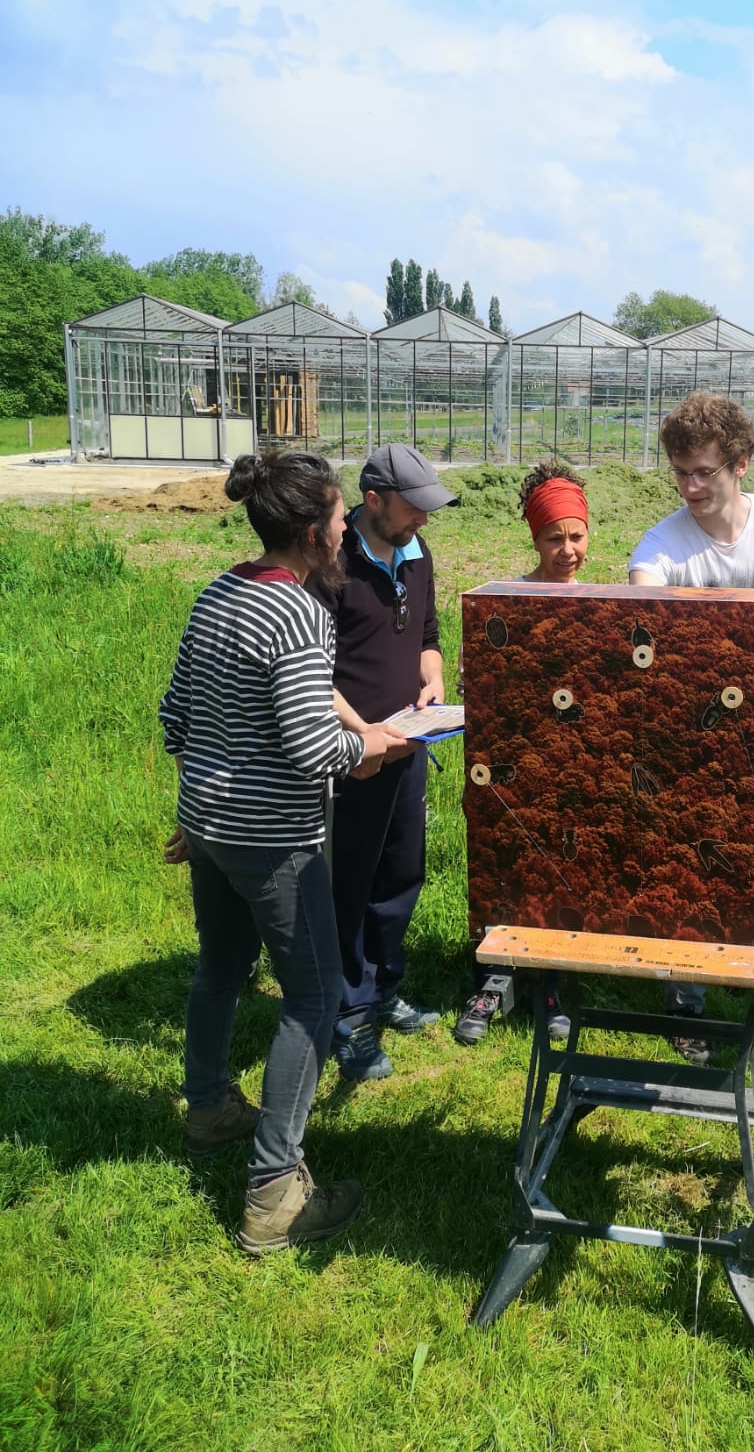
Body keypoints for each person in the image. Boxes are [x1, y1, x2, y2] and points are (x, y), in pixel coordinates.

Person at [160, 450, 403, 1252]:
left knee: (220, 971)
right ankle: (273, 1193)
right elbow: (309, 746)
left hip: (210, 830)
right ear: (313, 533)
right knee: (314, 998)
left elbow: (176, 717)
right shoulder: (299, 613)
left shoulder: (219, 591)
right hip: (273, 843)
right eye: (339, 516)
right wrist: (376, 749)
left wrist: (202, 812)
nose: (346, 526)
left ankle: (206, 1106)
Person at [629, 391, 754, 1062]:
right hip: (695, 730)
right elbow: (643, 593)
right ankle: (687, 997)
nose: (690, 487)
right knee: (691, 853)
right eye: (681, 472)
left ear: (742, 464)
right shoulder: (665, 544)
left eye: (704, 471)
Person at [306, 444, 457, 1083]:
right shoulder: (333, 567)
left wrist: (433, 686)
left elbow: (426, 638)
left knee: (401, 870)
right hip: (355, 754)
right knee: (350, 881)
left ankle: (386, 986)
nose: (423, 519)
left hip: (408, 745)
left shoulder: (418, 557)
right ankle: (348, 1015)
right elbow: (314, 670)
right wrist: (364, 734)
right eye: (413, 507)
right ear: (373, 501)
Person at [454, 461, 589, 1046]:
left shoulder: (602, 607)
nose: (567, 550)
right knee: (504, 860)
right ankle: (493, 975)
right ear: (534, 539)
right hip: (512, 760)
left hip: (574, 766)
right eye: (554, 538)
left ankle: (554, 979)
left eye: (576, 536)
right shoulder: (506, 602)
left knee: (563, 865)